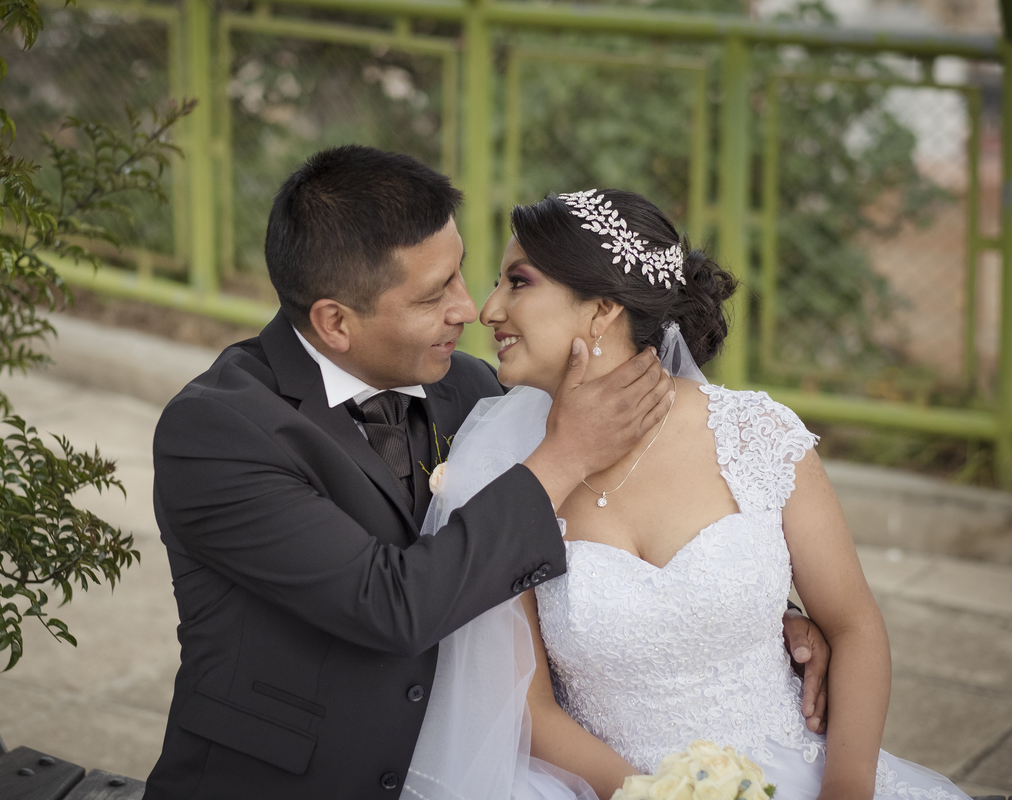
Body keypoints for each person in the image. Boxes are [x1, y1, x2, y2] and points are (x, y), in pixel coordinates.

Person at [144, 147, 828, 799]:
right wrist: (560, 457)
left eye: (463, 273)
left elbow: (610, 533)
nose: (470, 309)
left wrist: (758, 608)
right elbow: (389, 607)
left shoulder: (470, 389)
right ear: (335, 323)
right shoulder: (217, 433)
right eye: (435, 294)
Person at [405, 188, 969, 800]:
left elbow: (855, 625)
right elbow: (531, 710)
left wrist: (846, 788)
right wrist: (666, 794)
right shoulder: (502, 478)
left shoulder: (757, 436)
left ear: (602, 309)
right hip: (606, 786)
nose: (487, 310)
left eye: (518, 283)